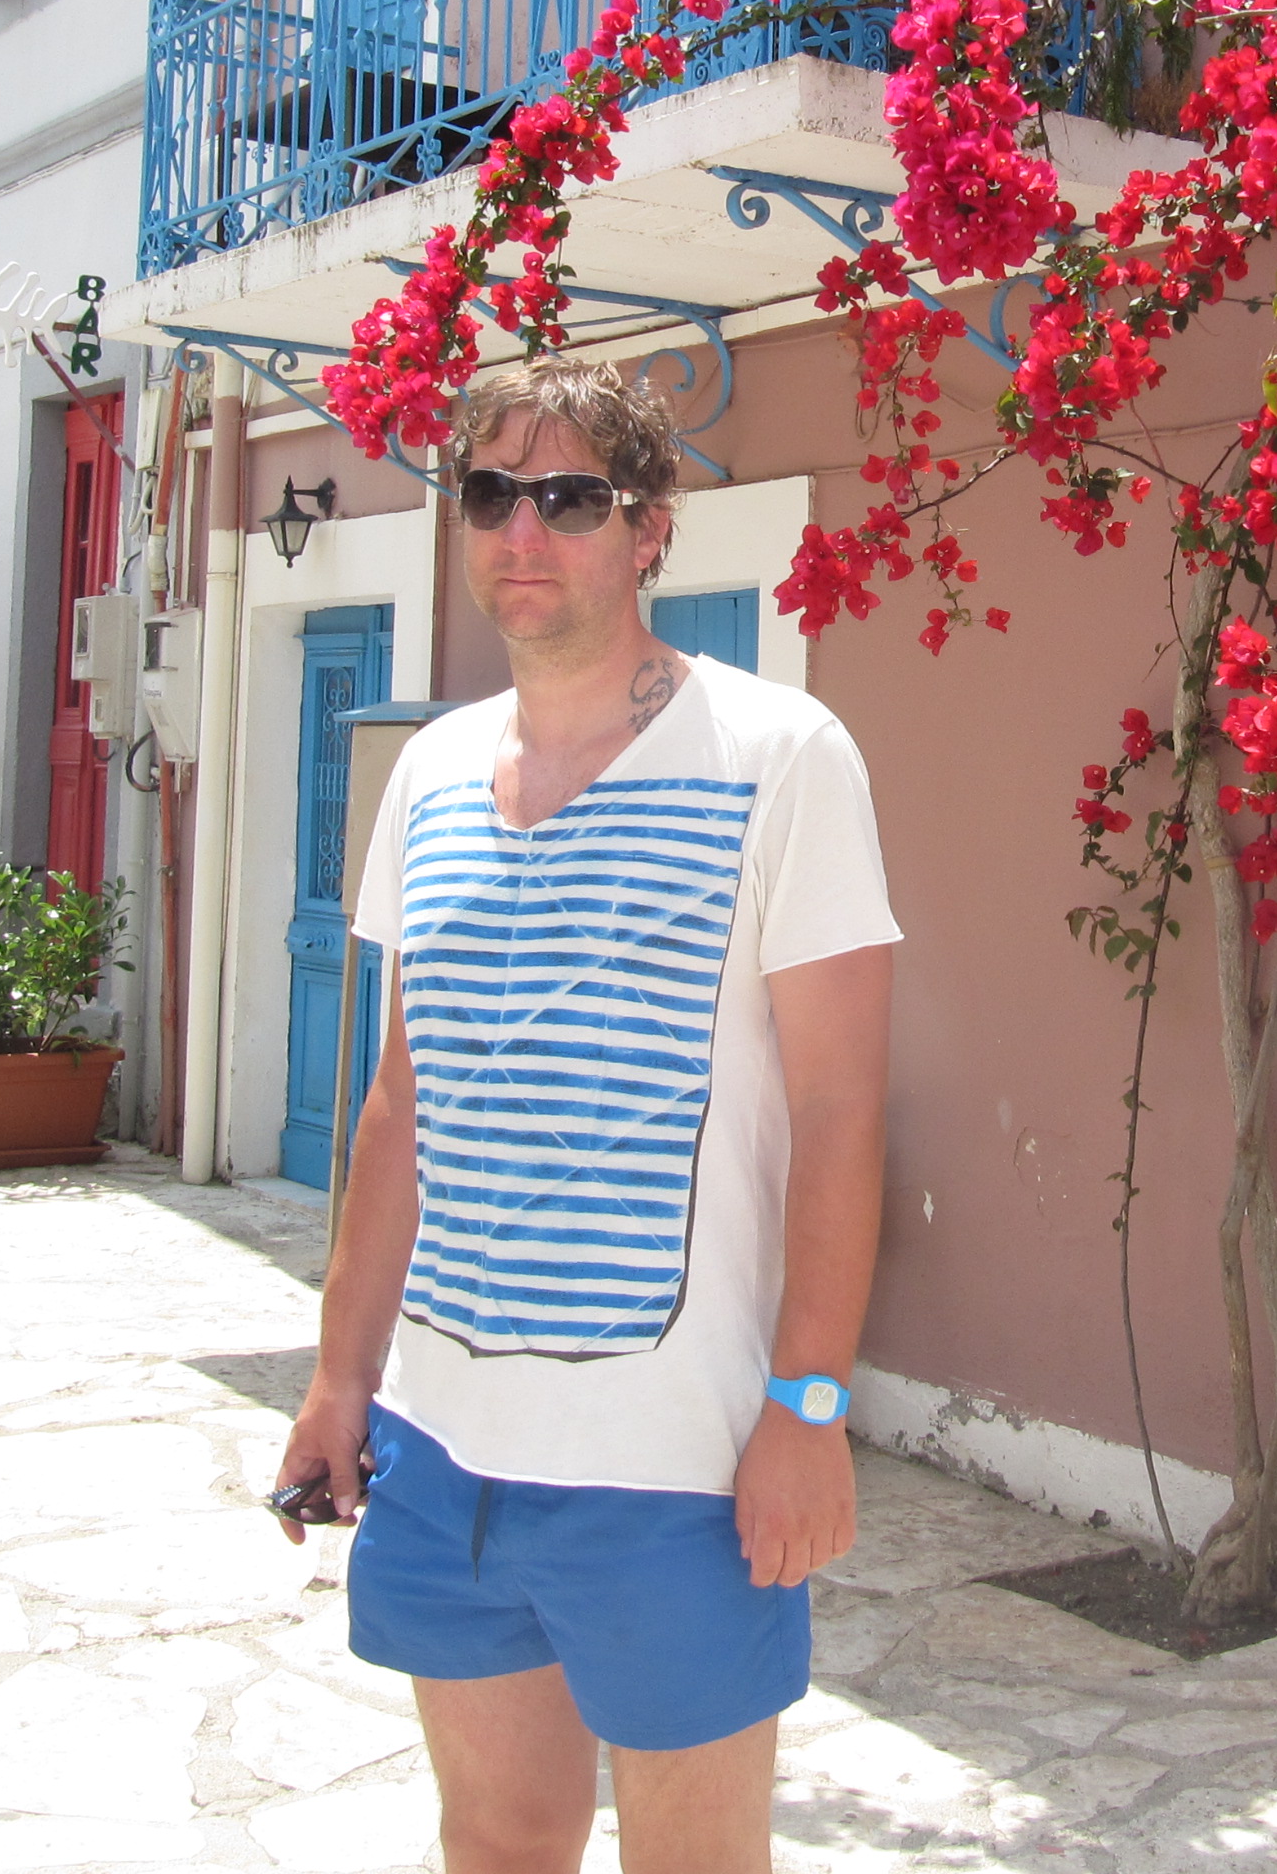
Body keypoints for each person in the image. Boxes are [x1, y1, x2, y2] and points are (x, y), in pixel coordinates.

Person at [275, 360, 896, 1874]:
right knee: (497, 1841)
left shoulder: (780, 758)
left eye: (569, 498)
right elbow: (401, 1106)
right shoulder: (430, 775)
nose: (523, 532)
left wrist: (810, 1408)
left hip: (672, 1468)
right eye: (492, 493)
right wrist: (341, 1378)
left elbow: (839, 1110)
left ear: (649, 529)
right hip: (444, 1450)